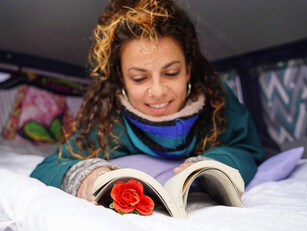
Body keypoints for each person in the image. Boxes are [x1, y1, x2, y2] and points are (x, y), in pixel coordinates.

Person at [31, 0, 264, 202]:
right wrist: (85, 176)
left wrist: (215, 165)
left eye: (171, 73)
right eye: (139, 78)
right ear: (122, 78)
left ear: (188, 70)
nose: (158, 91)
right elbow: (49, 168)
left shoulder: (216, 99)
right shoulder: (105, 117)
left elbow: (248, 148)